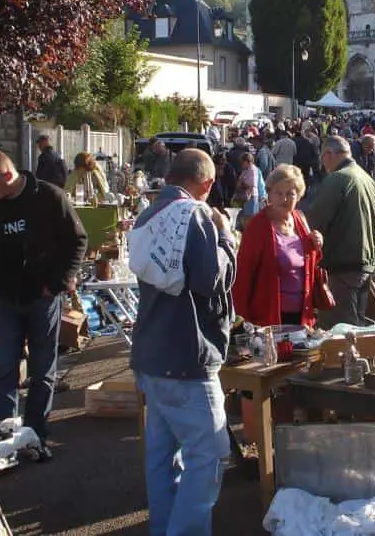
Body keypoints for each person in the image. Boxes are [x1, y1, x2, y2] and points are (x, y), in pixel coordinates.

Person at [130, 149, 236, 535]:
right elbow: (210, 282)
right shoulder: (197, 216)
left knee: (161, 456)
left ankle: (164, 528)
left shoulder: (148, 214)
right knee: (207, 455)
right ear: (206, 184)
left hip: (150, 353)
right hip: (186, 355)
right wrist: (225, 237)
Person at [0, 150, 87, 460]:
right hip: (6, 298)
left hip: (43, 296)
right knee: (4, 369)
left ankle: (35, 435)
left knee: (42, 370)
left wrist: (59, 282)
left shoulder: (49, 197)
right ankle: (1, 439)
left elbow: (77, 240)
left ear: (7, 176)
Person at [306, 136, 375, 327]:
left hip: (342, 267)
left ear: (329, 154)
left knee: (339, 334)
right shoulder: (367, 179)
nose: (322, 165)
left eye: (322, 158)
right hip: (365, 264)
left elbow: (315, 222)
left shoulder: (338, 179)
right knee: (356, 328)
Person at [234, 165, 324, 326]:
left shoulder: (300, 220)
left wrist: (316, 244)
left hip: (303, 316)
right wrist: (242, 322)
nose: (284, 199)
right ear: (269, 194)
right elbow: (243, 275)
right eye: (278, 193)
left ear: (299, 196)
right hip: (268, 316)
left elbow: (308, 265)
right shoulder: (257, 226)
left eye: (291, 193)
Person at [235, 152, 263, 225]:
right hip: (247, 197)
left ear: (247, 162)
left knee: (250, 217)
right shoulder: (246, 170)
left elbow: (251, 184)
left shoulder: (252, 170)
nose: (241, 165)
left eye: (242, 162)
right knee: (246, 216)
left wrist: (241, 184)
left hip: (251, 196)